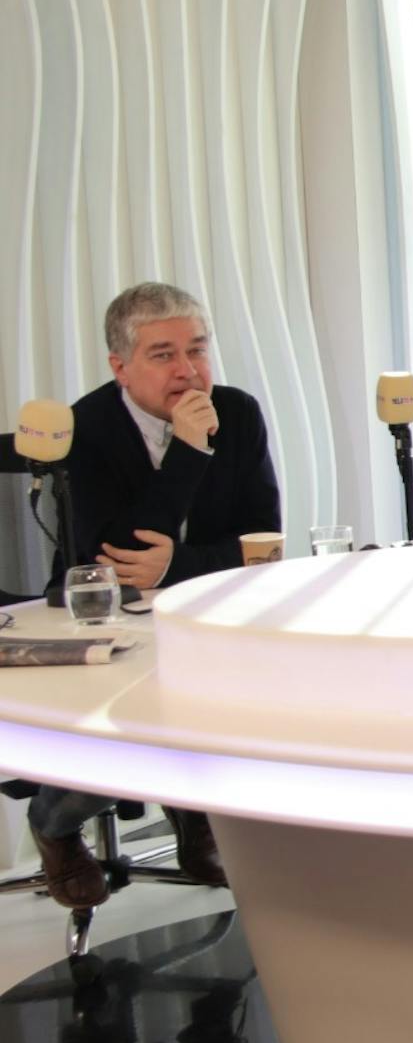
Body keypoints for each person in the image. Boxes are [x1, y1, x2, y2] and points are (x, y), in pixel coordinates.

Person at [30, 282, 282, 907]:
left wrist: (178, 564)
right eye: (164, 355)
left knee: (244, 695)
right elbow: (115, 555)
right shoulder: (86, 427)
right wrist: (189, 452)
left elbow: (263, 543)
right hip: (101, 619)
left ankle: (195, 814)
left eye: (197, 349)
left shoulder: (238, 411)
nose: (187, 370)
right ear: (120, 367)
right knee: (119, 720)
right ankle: (54, 826)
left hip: (202, 610)